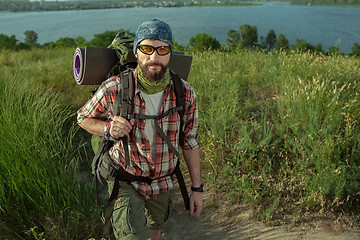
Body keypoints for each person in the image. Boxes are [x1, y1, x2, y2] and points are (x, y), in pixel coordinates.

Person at [77, 19, 203, 240]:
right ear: (136, 52)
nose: (154, 57)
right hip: (126, 179)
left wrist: (197, 189)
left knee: (155, 233)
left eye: (162, 49)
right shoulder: (114, 88)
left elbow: (190, 142)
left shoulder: (185, 93)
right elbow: (82, 118)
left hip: (163, 182)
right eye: (147, 49)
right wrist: (107, 129)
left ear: (170, 53)